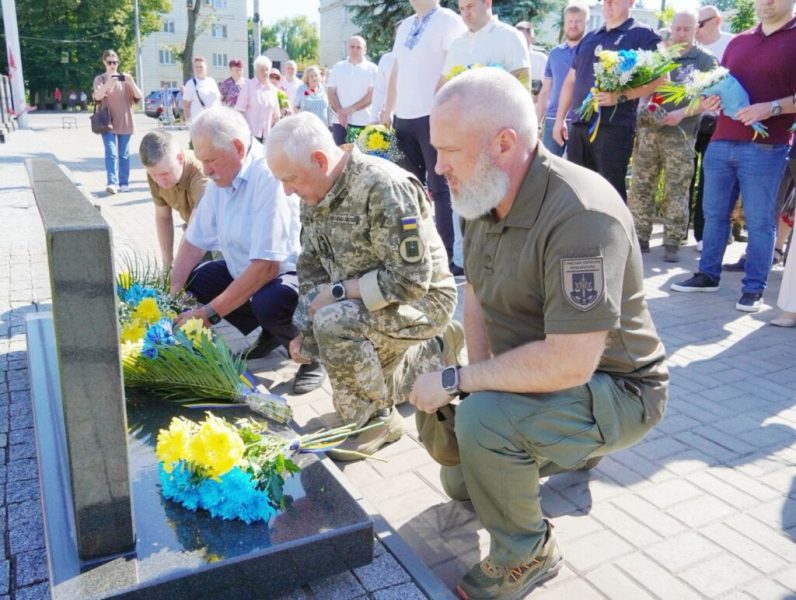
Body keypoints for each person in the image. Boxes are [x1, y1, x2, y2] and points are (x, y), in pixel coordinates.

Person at [412, 68, 668, 600]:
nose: (438, 167)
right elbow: (477, 294)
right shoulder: (483, 193)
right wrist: (478, 383)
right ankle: (543, 443)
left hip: (617, 389)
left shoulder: (580, 215)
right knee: (460, 478)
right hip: (551, 378)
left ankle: (527, 554)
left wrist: (466, 383)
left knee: (483, 424)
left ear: (504, 143)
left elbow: (571, 364)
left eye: (448, 150)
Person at [265, 112, 459, 459]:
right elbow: (311, 269)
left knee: (334, 323)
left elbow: (411, 281)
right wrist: (304, 336)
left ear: (320, 161)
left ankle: (373, 422)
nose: (287, 190)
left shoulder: (383, 186)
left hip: (425, 301)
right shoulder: (317, 194)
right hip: (369, 302)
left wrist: (338, 294)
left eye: (291, 179)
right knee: (332, 332)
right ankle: (429, 356)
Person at [169, 106, 327, 383]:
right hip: (248, 270)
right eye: (201, 161)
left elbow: (267, 267)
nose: (205, 170)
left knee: (269, 302)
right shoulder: (221, 179)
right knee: (198, 280)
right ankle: (270, 335)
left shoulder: (269, 175)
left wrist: (208, 314)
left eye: (211, 160)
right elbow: (193, 243)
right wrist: (169, 294)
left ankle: (313, 354)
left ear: (238, 148)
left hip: (288, 276)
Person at [671, 0, 796, 312]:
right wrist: (710, 101)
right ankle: (707, 274)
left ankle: (754, 289)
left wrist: (771, 108)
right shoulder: (739, 41)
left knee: (759, 221)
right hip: (722, 139)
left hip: (767, 146)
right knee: (714, 214)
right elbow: (719, 82)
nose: (766, 2)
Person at [439, 0, 530, 274]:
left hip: (498, 135)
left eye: (470, 6)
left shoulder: (508, 37)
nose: (465, 13)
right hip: (464, 136)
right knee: (463, 196)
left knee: (499, 198)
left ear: (487, 3)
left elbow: (523, 84)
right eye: (461, 8)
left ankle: (505, 263)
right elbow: (446, 87)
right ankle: (463, 260)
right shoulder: (458, 45)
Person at [382, 0, 467, 274]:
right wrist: (388, 106)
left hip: (433, 116)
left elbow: (456, 65)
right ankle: (417, 252)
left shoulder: (448, 20)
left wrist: (443, 107)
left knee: (439, 187)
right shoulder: (405, 26)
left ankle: (445, 257)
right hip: (402, 119)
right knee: (408, 187)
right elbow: (396, 69)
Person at [628, 11, 717, 263]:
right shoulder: (658, 55)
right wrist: (644, 106)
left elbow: (709, 98)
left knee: (676, 189)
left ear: (695, 30)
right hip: (649, 131)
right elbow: (644, 86)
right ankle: (639, 236)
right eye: (676, 28)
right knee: (640, 185)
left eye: (686, 30)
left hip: (681, 133)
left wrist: (681, 113)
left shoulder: (704, 60)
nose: (680, 34)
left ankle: (672, 241)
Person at [553, 0, 662, 201]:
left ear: (631, 2)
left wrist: (620, 96)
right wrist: (560, 119)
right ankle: (581, 233)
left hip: (613, 128)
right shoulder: (590, 37)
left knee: (609, 192)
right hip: (579, 126)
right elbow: (570, 80)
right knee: (577, 191)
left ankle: (612, 233)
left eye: (614, 0)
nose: (608, 4)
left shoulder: (642, 35)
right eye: (605, 1)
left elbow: (662, 79)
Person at [691, 5, 736, 252]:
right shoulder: (690, 48)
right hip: (690, 121)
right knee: (687, 177)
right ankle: (681, 234)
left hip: (719, 124)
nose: (695, 30)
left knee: (711, 180)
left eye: (700, 24)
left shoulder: (732, 44)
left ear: (716, 21)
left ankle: (704, 236)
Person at [139, 130, 208, 270]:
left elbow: (196, 229)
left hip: (220, 235)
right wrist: (167, 264)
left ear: (180, 158)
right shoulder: (156, 173)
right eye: (153, 175)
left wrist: (177, 271)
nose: (160, 181)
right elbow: (163, 217)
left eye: (165, 173)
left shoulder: (201, 176)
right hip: (194, 228)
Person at [535, 3, 589, 157]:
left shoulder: (590, 52)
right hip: (552, 119)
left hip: (580, 120)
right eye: (569, 21)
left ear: (586, 23)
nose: (573, 25)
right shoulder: (554, 53)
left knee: (577, 170)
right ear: (564, 23)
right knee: (549, 169)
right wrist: (537, 122)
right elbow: (545, 91)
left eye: (578, 21)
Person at [92, 49, 143, 196]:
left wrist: (131, 81)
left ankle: (124, 183)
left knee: (124, 155)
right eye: (109, 62)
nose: (113, 65)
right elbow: (97, 96)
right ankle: (112, 183)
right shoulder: (100, 79)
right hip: (107, 122)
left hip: (125, 121)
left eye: (115, 62)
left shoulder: (125, 80)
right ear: (104, 62)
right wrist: (109, 82)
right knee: (111, 153)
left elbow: (139, 96)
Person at [327, 36, 378, 145]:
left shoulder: (372, 69)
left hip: (363, 121)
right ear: (347, 48)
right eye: (352, 47)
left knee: (361, 159)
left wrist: (350, 109)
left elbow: (371, 95)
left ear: (365, 50)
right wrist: (340, 112)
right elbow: (331, 93)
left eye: (358, 47)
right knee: (341, 157)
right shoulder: (338, 67)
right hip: (340, 122)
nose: (355, 50)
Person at [235, 55, 281, 143]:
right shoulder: (248, 85)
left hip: (267, 136)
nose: (265, 72)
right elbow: (239, 110)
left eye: (267, 69)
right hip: (250, 134)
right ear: (256, 71)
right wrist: (244, 130)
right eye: (261, 70)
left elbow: (276, 114)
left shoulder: (273, 89)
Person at [182, 56, 221, 123]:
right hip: (198, 122)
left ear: (205, 68)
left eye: (201, 67)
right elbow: (186, 106)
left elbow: (218, 100)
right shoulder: (190, 84)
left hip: (213, 120)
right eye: (196, 67)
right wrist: (188, 122)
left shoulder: (211, 81)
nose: (198, 69)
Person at [514, 21, 547, 95]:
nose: (518, 41)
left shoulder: (540, 59)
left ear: (531, 39)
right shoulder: (508, 57)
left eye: (522, 37)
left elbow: (548, 87)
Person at [371, 51, 395, 124]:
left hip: (418, 116)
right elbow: (380, 90)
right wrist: (373, 118)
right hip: (389, 117)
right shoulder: (386, 59)